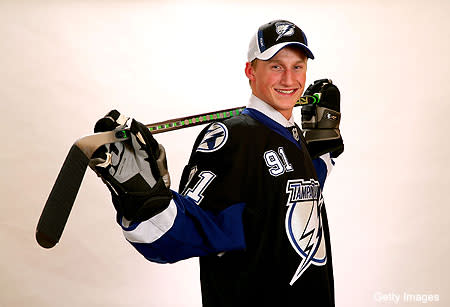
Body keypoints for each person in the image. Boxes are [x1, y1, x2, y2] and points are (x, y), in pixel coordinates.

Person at [92, 19, 343, 307]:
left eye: (297, 66)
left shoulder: (292, 135)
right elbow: (193, 229)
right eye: (276, 66)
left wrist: (324, 142)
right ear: (251, 70)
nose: (289, 79)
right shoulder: (234, 137)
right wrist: (145, 202)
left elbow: (293, 195)